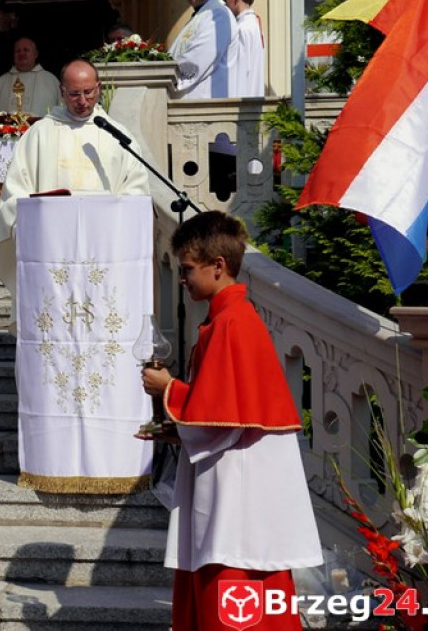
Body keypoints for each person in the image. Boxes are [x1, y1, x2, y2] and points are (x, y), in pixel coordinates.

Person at [140, 211, 323, 631]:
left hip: (239, 490)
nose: (182, 279)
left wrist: (168, 388)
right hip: (232, 474)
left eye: (187, 269)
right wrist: (177, 430)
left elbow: (220, 414)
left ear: (217, 266)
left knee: (236, 577)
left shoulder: (233, 323)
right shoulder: (224, 319)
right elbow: (224, 410)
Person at [0, 58, 151, 325]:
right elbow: (15, 193)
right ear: (62, 92)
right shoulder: (39, 134)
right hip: (52, 253)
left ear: (98, 88)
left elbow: (136, 191)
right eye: (75, 93)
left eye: (89, 92)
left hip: (104, 252)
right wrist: (26, 222)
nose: (82, 101)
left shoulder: (117, 135)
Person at [168, 0, 238, 99]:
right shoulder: (201, 15)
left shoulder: (218, 15)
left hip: (204, 101)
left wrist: (169, 79)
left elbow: (199, 57)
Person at [0, 37, 60, 119]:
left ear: (36, 54)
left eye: (26, 50)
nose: (21, 54)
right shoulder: (0, 83)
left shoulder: (51, 81)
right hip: (7, 131)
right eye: (18, 51)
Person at [221, 0, 265, 97]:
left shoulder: (241, 28)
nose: (225, 4)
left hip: (243, 98)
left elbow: (238, 69)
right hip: (255, 95)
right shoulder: (254, 23)